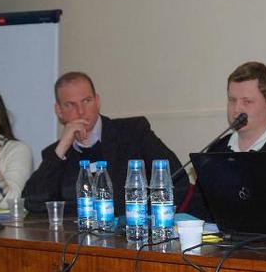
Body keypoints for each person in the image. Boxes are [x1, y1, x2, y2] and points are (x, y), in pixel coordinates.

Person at [22, 72, 188, 215]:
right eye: (70, 105)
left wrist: (141, 219)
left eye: (86, 101)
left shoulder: (133, 132)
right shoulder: (56, 154)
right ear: (59, 111)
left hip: (133, 234)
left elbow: (177, 179)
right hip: (76, 241)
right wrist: (62, 147)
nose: (81, 111)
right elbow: (31, 202)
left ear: (97, 101)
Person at [187, 61, 266, 219]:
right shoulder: (217, 150)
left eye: (247, 101)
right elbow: (197, 212)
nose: (236, 109)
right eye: (232, 100)